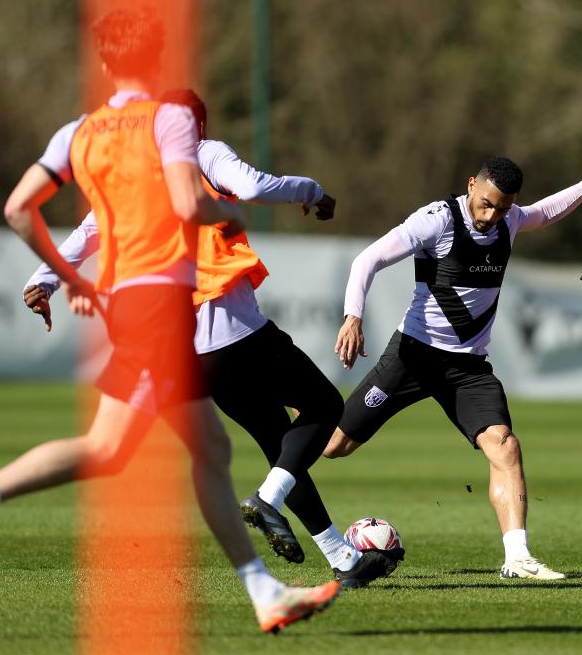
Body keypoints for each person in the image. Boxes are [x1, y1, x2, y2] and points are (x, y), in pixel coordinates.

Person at [0, 8, 339, 633]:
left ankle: (265, 593)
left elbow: (20, 209)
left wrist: (63, 279)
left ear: (101, 63)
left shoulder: (78, 132)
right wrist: (221, 218)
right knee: (107, 448)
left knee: (212, 447)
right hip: (159, 308)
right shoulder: (170, 119)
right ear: (160, 62)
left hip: (133, 307)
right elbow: (187, 200)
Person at [21, 89, 399, 588]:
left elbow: (86, 234)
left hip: (187, 351)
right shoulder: (202, 152)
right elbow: (252, 184)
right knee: (326, 405)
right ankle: (268, 499)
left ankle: (343, 559)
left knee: (278, 440)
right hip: (234, 329)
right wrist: (312, 191)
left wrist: (41, 280)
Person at [314, 146, 582, 579]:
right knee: (332, 447)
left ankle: (518, 557)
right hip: (412, 356)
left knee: (505, 446)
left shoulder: (509, 218)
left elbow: (543, 213)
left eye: (502, 208)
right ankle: (297, 415)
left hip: (468, 368)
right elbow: (369, 259)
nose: (492, 215)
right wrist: (353, 316)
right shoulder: (436, 219)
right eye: (486, 203)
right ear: (471, 186)